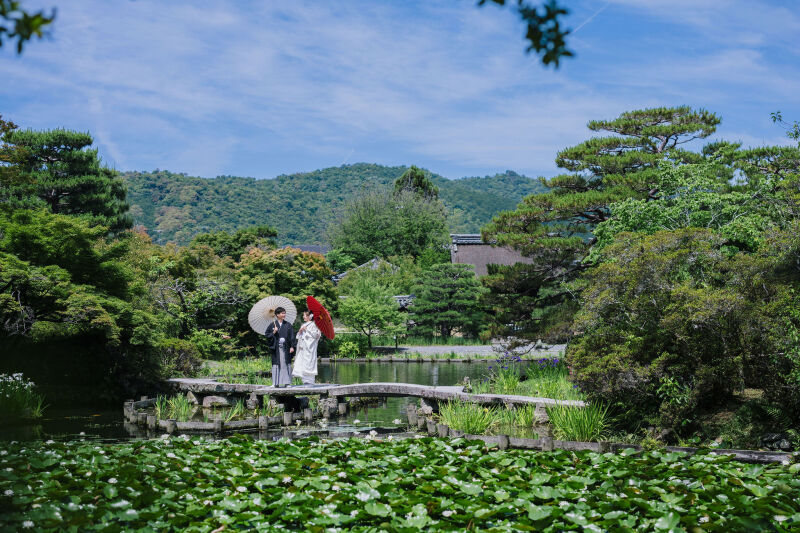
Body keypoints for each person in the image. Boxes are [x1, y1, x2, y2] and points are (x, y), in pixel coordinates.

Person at [264, 307, 295, 387]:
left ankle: (287, 382)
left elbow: (292, 336)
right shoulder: (272, 325)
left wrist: (292, 346)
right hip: (276, 348)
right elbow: (267, 335)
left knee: (286, 363)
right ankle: (275, 383)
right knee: (276, 364)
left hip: (286, 348)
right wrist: (273, 332)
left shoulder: (288, 325)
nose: (284, 314)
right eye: (282, 313)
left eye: (284, 313)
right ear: (277, 315)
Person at [292, 310, 322, 385]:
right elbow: (299, 337)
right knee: (302, 363)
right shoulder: (304, 324)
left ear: (309, 316)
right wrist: (300, 332)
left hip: (309, 348)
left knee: (309, 363)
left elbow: (316, 336)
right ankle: (304, 380)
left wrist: (307, 330)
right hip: (303, 348)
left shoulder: (313, 325)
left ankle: (310, 381)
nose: (303, 316)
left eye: (304, 315)